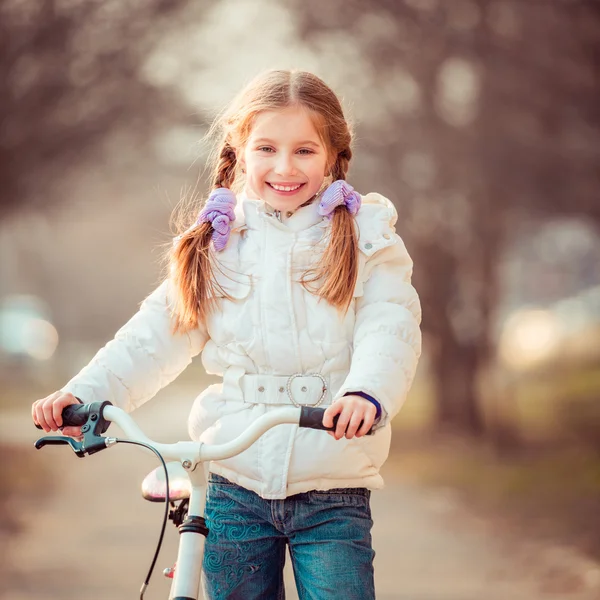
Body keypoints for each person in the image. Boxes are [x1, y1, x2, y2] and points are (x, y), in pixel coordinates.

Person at [32, 69, 422, 599]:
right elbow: (153, 335)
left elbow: (390, 326)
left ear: (333, 154)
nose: (285, 168)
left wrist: (366, 393)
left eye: (304, 151)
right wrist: (85, 393)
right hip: (233, 483)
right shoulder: (219, 241)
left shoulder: (366, 236)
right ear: (239, 150)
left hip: (332, 480)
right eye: (267, 148)